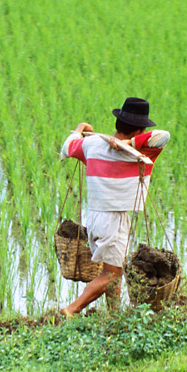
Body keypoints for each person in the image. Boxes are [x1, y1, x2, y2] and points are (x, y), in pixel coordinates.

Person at [59, 97, 170, 317]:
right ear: (139, 130)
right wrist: (130, 144)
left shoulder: (92, 145)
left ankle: (114, 315)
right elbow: (163, 136)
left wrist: (81, 128)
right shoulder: (141, 152)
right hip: (114, 219)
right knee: (112, 275)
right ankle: (71, 310)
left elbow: (67, 147)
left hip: (95, 218)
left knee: (113, 268)